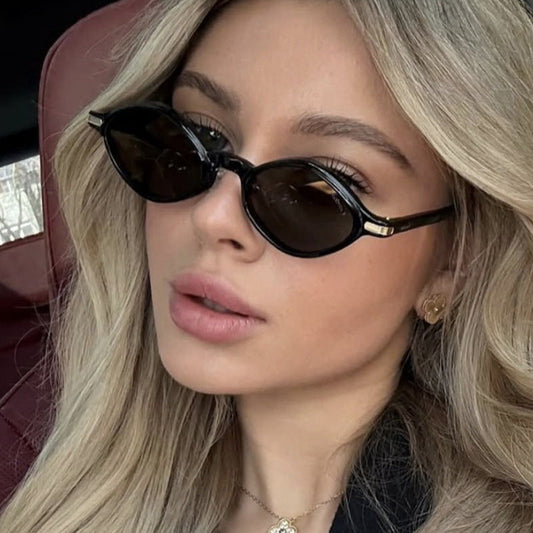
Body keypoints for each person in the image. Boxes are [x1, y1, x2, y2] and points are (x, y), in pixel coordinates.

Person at [1, 0, 532, 531]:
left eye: (319, 190)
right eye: (198, 140)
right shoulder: (67, 498)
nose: (212, 216)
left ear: (454, 262)